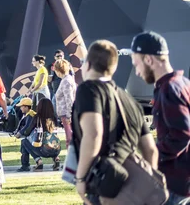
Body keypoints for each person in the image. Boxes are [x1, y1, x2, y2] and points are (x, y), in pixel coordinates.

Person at [73, 40, 159, 205]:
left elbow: (93, 134)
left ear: (88, 64)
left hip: (104, 184)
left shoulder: (88, 89)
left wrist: (81, 178)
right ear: (113, 68)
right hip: (131, 190)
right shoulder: (129, 100)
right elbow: (150, 150)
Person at [130, 31, 190, 204]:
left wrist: (151, 157)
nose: (137, 72)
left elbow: (182, 135)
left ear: (149, 60)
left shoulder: (169, 89)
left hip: (173, 185)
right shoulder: (183, 83)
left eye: (137, 64)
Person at [18, 98, 61, 172]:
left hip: (43, 150)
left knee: (24, 142)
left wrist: (20, 134)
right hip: (56, 149)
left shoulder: (37, 118)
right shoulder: (54, 118)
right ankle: (56, 158)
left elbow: (27, 131)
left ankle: (38, 161)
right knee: (51, 141)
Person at [54, 59, 76, 146]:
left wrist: (69, 115)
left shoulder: (66, 81)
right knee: (69, 137)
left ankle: (72, 158)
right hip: (65, 114)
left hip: (66, 114)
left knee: (69, 139)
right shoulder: (65, 80)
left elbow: (69, 99)